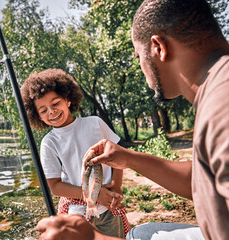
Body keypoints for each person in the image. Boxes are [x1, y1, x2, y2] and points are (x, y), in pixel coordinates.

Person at [36, 0, 229, 239]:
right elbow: (203, 180)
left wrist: (94, 238)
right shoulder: (217, 88)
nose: (140, 66)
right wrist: (128, 158)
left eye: (138, 55)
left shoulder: (222, 103)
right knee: (141, 233)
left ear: (158, 47)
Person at [21, 68, 130, 237]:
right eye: (43, 110)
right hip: (76, 213)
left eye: (55, 103)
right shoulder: (49, 143)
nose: (51, 112)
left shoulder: (95, 123)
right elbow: (55, 186)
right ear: (38, 116)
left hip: (109, 208)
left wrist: (116, 186)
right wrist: (93, 195)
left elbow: (118, 158)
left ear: (68, 100)